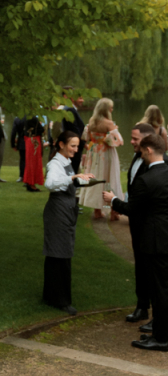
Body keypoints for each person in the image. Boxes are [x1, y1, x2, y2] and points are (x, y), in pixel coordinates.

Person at [104, 133, 168, 351]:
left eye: (141, 150)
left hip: (155, 241)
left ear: (149, 150)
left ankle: (161, 338)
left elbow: (131, 209)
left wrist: (112, 200)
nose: (140, 153)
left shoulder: (146, 180)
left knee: (159, 290)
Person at [42, 130, 91, 314]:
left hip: (66, 211)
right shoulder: (55, 163)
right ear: (61, 144)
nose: (76, 150)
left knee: (59, 253)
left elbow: (69, 182)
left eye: (77, 146)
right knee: (59, 254)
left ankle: (50, 296)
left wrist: (83, 180)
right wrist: (72, 178)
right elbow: (50, 183)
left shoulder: (67, 162)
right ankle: (60, 300)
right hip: (58, 212)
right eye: (72, 146)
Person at [114, 122, 155, 326]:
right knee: (140, 264)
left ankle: (158, 316)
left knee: (152, 268)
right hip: (136, 222)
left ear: (147, 140)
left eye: (135, 139)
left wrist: (117, 203)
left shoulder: (158, 163)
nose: (131, 142)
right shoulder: (136, 157)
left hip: (150, 224)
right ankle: (142, 306)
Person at [78, 97, 124, 219]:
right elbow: (119, 141)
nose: (112, 109)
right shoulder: (109, 123)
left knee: (96, 178)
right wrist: (110, 137)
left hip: (94, 153)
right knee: (110, 178)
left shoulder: (91, 121)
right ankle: (114, 211)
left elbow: (85, 137)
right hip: (106, 153)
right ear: (106, 110)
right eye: (111, 108)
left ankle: (97, 211)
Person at [11, 116, 46, 192]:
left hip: (27, 140)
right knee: (33, 163)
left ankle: (27, 181)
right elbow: (41, 129)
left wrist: (13, 144)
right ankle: (31, 183)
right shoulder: (33, 118)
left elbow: (15, 132)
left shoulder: (21, 118)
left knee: (28, 162)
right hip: (34, 141)